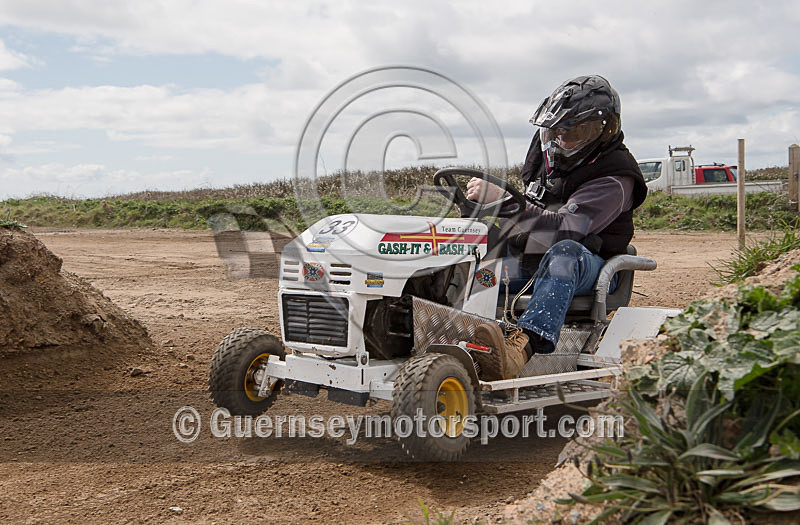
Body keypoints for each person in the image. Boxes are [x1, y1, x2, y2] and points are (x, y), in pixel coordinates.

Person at [466, 75, 648, 381]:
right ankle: (450, 332)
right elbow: (530, 214)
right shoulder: (547, 155)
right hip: (532, 261)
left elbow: (564, 230)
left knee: (564, 253)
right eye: (557, 131)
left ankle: (520, 349)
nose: (562, 140)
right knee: (476, 261)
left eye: (575, 132)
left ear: (602, 132)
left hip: (588, 266)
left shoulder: (615, 178)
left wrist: (507, 202)